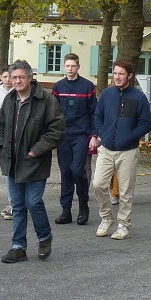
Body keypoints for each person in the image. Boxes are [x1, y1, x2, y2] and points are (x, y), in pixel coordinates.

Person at [0, 60, 65, 262]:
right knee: (17, 205)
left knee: (32, 202)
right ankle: (18, 247)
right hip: (12, 161)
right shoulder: (9, 99)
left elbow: (57, 130)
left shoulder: (46, 100)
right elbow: (0, 125)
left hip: (35, 161)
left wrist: (36, 150)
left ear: (30, 78)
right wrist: (1, 145)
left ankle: (44, 237)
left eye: (21, 77)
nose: (16, 81)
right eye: (13, 77)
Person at [89, 60, 151, 240]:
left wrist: (129, 136)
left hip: (128, 151)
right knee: (98, 184)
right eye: (115, 73)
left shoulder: (139, 97)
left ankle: (123, 224)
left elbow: (146, 124)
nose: (117, 77)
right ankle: (106, 218)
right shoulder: (107, 94)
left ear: (129, 75)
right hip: (106, 149)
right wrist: (102, 134)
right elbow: (98, 116)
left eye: (121, 74)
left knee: (125, 191)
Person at [51, 52, 96, 225]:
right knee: (66, 172)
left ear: (78, 67)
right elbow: (52, 113)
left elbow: (94, 113)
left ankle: (83, 206)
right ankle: (66, 210)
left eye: (73, 66)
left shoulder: (87, 86)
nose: (70, 69)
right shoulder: (58, 87)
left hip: (81, 135)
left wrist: (94, 135)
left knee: (77, 170)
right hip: (63, 136)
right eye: (68, 66)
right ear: (64, 67)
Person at [0, 67, 15, 221]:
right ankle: (13, 202)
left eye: (10, 76)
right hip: (3, 139)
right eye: (5, 76)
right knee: (8, 172)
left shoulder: (17, 92)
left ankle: (16, 203)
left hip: (16, 137)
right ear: (1, 77)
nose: (8, 80)